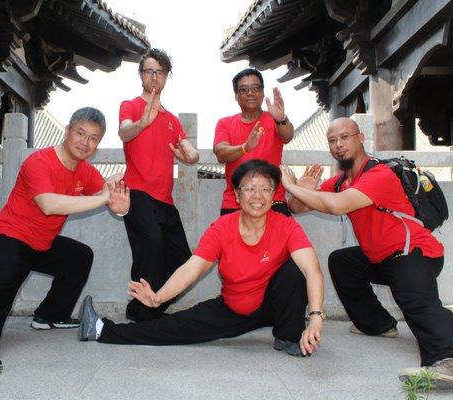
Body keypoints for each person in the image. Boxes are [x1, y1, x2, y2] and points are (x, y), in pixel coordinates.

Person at [78, 160, 325, 358]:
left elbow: (313, 270)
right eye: (249, 189)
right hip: (234, 308)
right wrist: (159, 297)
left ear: (273, 196)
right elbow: (193, 268)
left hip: (273, 305)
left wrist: (315, 316)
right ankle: (100, 329)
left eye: (265, 189)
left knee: (296, 267)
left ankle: (288, 336)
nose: (257, 195)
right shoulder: (221, 228)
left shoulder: (286, 226)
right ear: (237, 196)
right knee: (172, 327)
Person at [0, 107, 130, 374]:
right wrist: (104, 197)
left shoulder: (84, 170)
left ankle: (50, 315)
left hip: (41, 242)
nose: (85, 142)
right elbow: (48, 205)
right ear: (67, 131)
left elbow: (109, 198)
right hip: (10, 234)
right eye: (80, 133)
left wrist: (120, 206)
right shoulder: (39, 162)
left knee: (79, 256)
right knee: (7, 273)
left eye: (93, 138)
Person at [281, 117, 453, 385]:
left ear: (360, 138)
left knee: (417, 303)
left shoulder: (379, 174)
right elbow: (296, 208)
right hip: (380, 257)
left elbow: (337, 206)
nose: (339, 145)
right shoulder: (341, 181)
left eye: (344, 137)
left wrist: (290, 186)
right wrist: (303, 188)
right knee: (342, 262)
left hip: (414, 253)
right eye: (332, 140)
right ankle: (378, 324)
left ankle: (447, 358)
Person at [118, 48, 199, 322]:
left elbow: (191, 151)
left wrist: (191, 155)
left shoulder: (172, 120)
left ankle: (151, 307)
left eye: (160, 72)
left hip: (165, 199)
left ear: (166, 77)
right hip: (137, 192)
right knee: (150, 246)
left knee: (183, 260)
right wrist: (142, 123)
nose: (154, 77)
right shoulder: (130, 105)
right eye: (149, 71)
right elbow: (124, 131)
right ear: (141, 75)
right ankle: (141, 313)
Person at [213, 68, 294, 216]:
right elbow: (220, 153)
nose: (250, 93)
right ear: (236, 95)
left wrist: (281, 119)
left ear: (263, 93)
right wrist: (245, 148)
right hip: (235, 201)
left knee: (284, 238)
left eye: (255, 88)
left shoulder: (275, 119)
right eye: (244, 90)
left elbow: (287, 136)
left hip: (273, 200)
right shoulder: (225, 123)